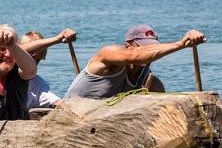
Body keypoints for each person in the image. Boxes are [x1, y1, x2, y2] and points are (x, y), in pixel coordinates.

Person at [64, 24, 206, 100]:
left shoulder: (151, 84)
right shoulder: (109, 54)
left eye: (153, 48)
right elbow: (134, 56)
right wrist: (180, 45)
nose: (150, 53)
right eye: (144, 47)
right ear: (127, 46)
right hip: (70, 118)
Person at [18, 28, 76, 109]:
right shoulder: (4, 73)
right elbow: (19, 50)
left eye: (38, 59)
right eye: (31, 57)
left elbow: (55, 101)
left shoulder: (37, 83)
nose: (34, 63)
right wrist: (57, 39)